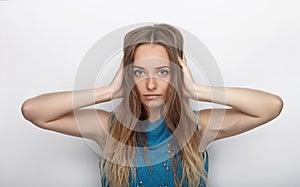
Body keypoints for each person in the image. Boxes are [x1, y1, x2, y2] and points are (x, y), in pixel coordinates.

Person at [21, 23, 284, 187]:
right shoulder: (107, 127)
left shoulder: (198, 127)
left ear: (178, 73)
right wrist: (108, 91)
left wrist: (196, 90)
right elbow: (34, 112)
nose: (150, 84)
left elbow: (271, 106)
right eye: (139, 72)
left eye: (162, 72)